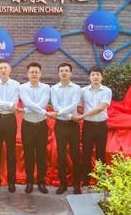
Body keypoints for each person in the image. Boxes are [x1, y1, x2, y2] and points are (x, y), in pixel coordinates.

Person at [18, 62, 52, 194]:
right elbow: (28, 103)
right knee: (29, 155)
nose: (34, 74)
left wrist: (27, 109)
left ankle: (41, 182)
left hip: (41, 125)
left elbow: (42, 104)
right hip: (27, 126)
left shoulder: (46, 87)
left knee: (42, 155)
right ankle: (29, 182)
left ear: (40, 74)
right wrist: (44, 112)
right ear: (28, 74)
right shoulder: (22, 87)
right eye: (32, 72)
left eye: (36, 72)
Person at [50, 62, 83, 194]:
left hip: (73, 126)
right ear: (58, 73)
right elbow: (55, 106)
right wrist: (69, 116)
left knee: (75, 155)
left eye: (66, 70)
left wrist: (60, 113)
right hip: (60, 125)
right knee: (61, 155)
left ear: (71, 73)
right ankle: (62, 184)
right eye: (61, 71)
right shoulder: (54, 88)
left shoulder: (76, 88)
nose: (64, 73)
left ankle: (76, 185)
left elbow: (74, 105)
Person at [0, 60, 20, 192]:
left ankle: (11, 181)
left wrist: (7, 105)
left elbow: (15, 101)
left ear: (9, 70)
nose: (3, 70)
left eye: (5, 68)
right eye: (0, 68)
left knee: (11, 152)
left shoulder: (16, 84)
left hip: (10, 120)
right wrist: (9, 105)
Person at [80, 66, 112, 185]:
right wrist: (83, 115)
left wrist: (84, 115)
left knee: (100, 153)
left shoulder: (107, 91)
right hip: (88, 126)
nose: (95, 77)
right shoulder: (83, 91)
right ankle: (85, 180)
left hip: (101, 126)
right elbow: (78, 106)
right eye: (93, 74)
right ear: (89, 77)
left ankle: (100, 180)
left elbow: (100, 108)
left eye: (98, 74)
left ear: (101, 77)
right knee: (86, 153)